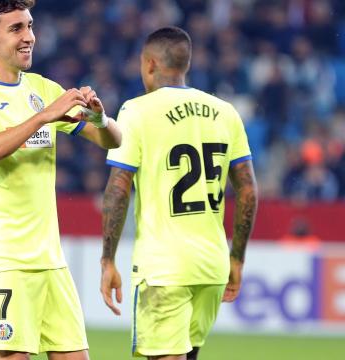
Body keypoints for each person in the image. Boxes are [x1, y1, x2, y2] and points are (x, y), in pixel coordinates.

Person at [0, 1, 121, 359]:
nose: (29, 38)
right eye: (16, 29)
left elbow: (114, 141)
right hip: (2, 258)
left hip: (50, 258)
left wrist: (100, 118)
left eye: (30, 26)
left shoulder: (44, 88)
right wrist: (42, 118)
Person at [100, 27, 257, 360]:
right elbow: (247, 190)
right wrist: (237, 257)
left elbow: (118, 188)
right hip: (211, 267)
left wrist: (107, 259)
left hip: (164, 267)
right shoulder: (225, 112)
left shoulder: (136, 111)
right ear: (186, 63)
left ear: (150, 64)